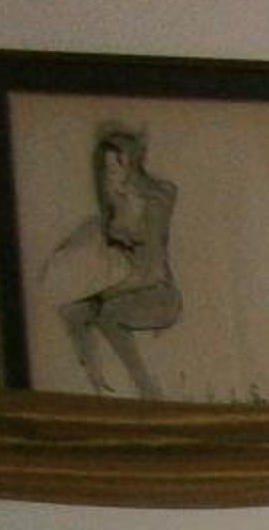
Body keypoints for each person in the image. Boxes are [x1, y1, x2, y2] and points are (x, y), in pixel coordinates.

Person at [37, 124, 180, 398]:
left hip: (159, 294)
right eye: (107, 170)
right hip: (126, 288)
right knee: (72, 312)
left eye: (118, 167)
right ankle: (95, 387)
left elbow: (153, 272)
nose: (112, 177)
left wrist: (101, 295)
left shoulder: (153, 204)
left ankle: (146, 388)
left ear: (133, 167)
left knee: (106, 312)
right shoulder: (113, 208)